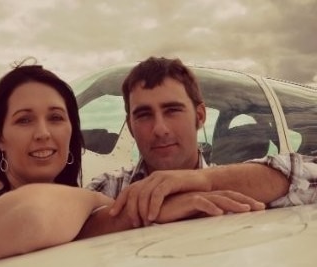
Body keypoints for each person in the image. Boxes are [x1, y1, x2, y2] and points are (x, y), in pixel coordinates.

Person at [78, 56, 317, 237]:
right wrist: (146, 211)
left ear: (200, 116)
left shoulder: (240, 192)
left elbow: (311, 176)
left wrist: (205, 181)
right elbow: (71, 230)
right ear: (130, 126)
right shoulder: (108, 187)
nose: (160, 128)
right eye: (143, 115)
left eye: (172, 110)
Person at [0, 62, 113, 267]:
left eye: (56, 118)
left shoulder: (71, 212)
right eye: (24, 120)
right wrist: (97, 199)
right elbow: (33, 217)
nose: (43, 133)